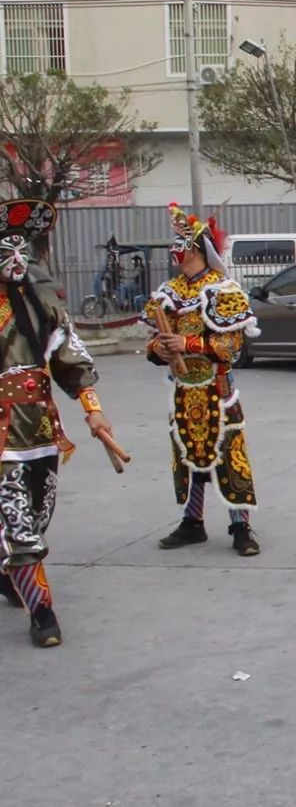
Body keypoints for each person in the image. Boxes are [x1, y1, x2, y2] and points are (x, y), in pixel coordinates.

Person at [0, 199, 115, 647]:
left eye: (20, 248)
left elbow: (69, 356)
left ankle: (10, 573)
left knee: (39, 513)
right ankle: (42, 612)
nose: (15, 258)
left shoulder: (40, 299)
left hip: (41, 429)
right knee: (21, 525)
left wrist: (92, 406)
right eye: (6, 248)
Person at [142, 203, 261, 557]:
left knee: (228, 453)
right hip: (183, 389)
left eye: (179, 242)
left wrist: (187, 343)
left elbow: (230, 345)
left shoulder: (224, 289)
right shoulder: (168, 291)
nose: (173, 249)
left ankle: (241, 525)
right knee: (187, 456)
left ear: (195, 247)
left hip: (217, 389)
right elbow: (152, 343)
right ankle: (192, 522)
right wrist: (159, 350)